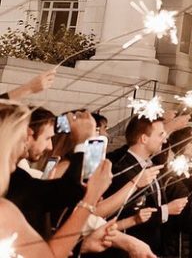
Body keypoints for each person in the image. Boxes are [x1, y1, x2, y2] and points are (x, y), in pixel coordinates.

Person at [0, 101, 117, 258]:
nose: (25, 142)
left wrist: (80, 245)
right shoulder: (7, 204)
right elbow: (74, 189)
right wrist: (85, 142)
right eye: (22, 136)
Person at [105, 116, 188, 257]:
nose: (165, 139)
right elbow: (120, 216)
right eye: (161, 134)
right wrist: (166, 211)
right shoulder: (123, 170)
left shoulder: (150, 165)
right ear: (144, 139)